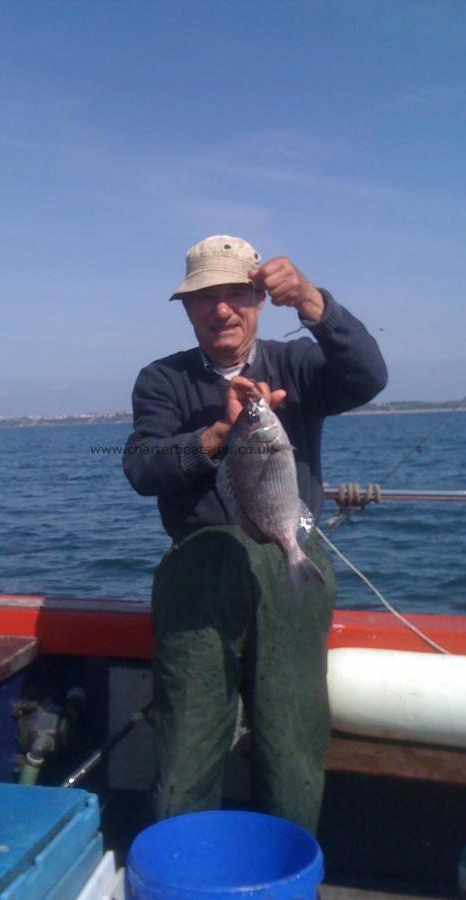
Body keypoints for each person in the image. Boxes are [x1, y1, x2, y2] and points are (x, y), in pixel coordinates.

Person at [123, 235, 387, 833]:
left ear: (259, 300)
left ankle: (286, 870)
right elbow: (141, 465)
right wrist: (217, 434)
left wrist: (317, 305)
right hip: (197, 574)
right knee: (185, 748)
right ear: (187, 309)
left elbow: (369, 376)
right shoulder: (161, 381)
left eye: (236, 294)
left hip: (289, 561)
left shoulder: (296, 366)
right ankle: (179, 871)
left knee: (290, 744)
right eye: (205, 298)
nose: (222, 310)